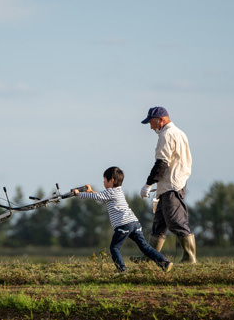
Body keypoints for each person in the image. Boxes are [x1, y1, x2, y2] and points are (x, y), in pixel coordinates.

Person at [72, 166, 173, 273]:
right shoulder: (118, 191)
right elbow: (101, 197)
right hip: (134, 223)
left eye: (104, 179)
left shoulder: (110, 192)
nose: (103, 182)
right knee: (145, 247)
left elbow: (97, 197)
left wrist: (78, 194)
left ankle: (122, 270)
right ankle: (165, 263)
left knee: (114, 248)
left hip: (124, 225)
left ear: (111, 180)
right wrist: (91, 191)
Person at [139, 106, 196, 263]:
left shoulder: (167, 134)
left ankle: (190, 257)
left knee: (176, 221)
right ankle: (150, 257)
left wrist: (148, 184)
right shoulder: (179, 132)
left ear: (160, 120)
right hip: (168, 184)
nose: (151, 126)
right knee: (159, 224)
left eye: (151, 122)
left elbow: (162, 163)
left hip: (172, 185)